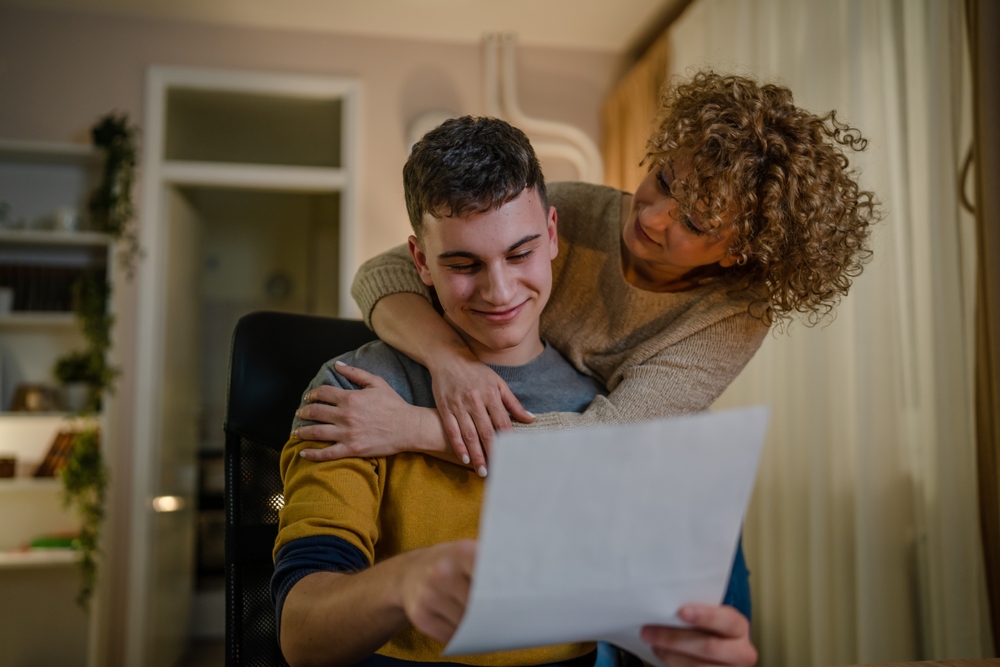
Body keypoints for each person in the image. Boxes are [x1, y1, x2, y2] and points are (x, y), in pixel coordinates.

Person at [273, 116, 757, 667]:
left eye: (520, 253)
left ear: (552, 235)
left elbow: (640, 622)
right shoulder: (355, 396)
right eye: (463, 264)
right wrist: (402, 583)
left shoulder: (602, 422)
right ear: (420, 262)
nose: (499, 292)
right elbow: (301, 636)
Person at [293, 71, 878, 480]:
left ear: (738, 252)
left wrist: (417, 429)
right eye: (664, 181)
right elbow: (382, 272)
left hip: (644, 486)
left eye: (695, 221)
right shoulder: (573, 211)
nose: (651, 216)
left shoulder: (732, 317)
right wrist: (452, 363)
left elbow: (607, 445)